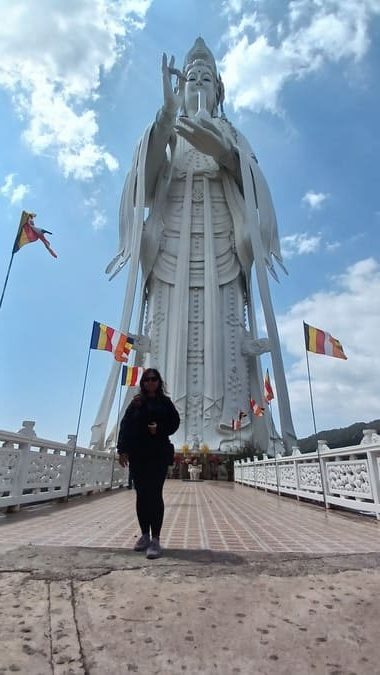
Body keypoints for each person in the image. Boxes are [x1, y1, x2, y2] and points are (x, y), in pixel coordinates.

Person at [92, 37, 296, 455]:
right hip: (171, 249)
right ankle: (161, 434)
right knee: (164, 342)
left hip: (221, 249)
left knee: (226, 345)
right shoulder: (168, 131)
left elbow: (253, 183)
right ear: (179, 88)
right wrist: (165, 120)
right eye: (191, 79)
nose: (198, 83)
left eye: (206, 78)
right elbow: (144, 186)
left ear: (219, 90)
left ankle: (234, 436)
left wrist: (223, 151)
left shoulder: (231, 132)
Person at [117, 368, 180, 559]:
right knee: (142, 495)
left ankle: (156, 539)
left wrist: (159, 429)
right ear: (143, 383)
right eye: (147, 380)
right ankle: (144, 534)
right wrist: (122, 450)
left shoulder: (165, 403)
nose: (150, 383)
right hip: (138, 454)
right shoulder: (136, 403)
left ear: (159, 382)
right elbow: (125, 426)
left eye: (154, 379)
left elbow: (175, 423)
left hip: (158, 454)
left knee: (154, 494)